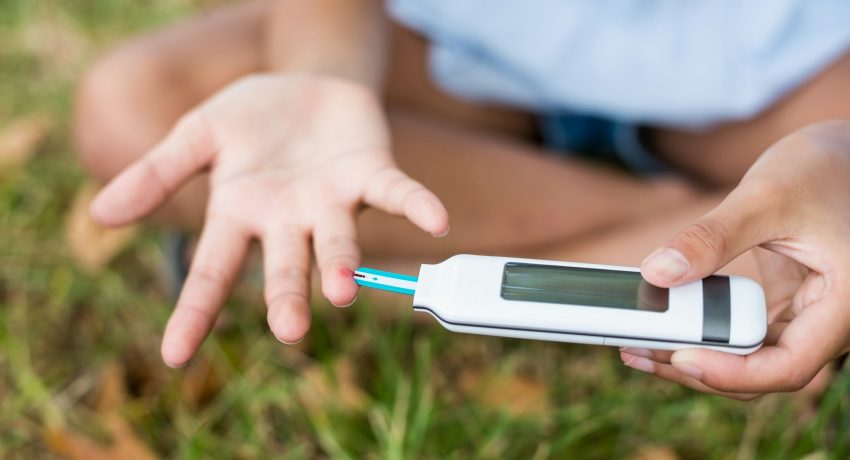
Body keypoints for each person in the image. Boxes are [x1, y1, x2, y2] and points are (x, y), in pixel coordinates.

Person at [73, 0, 850, 399]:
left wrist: (836, 158)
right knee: (131, 107)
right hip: (455, 43)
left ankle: (344, 286)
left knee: (819, 215)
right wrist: (320, 77)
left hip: (770, 60)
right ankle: (692, 221)